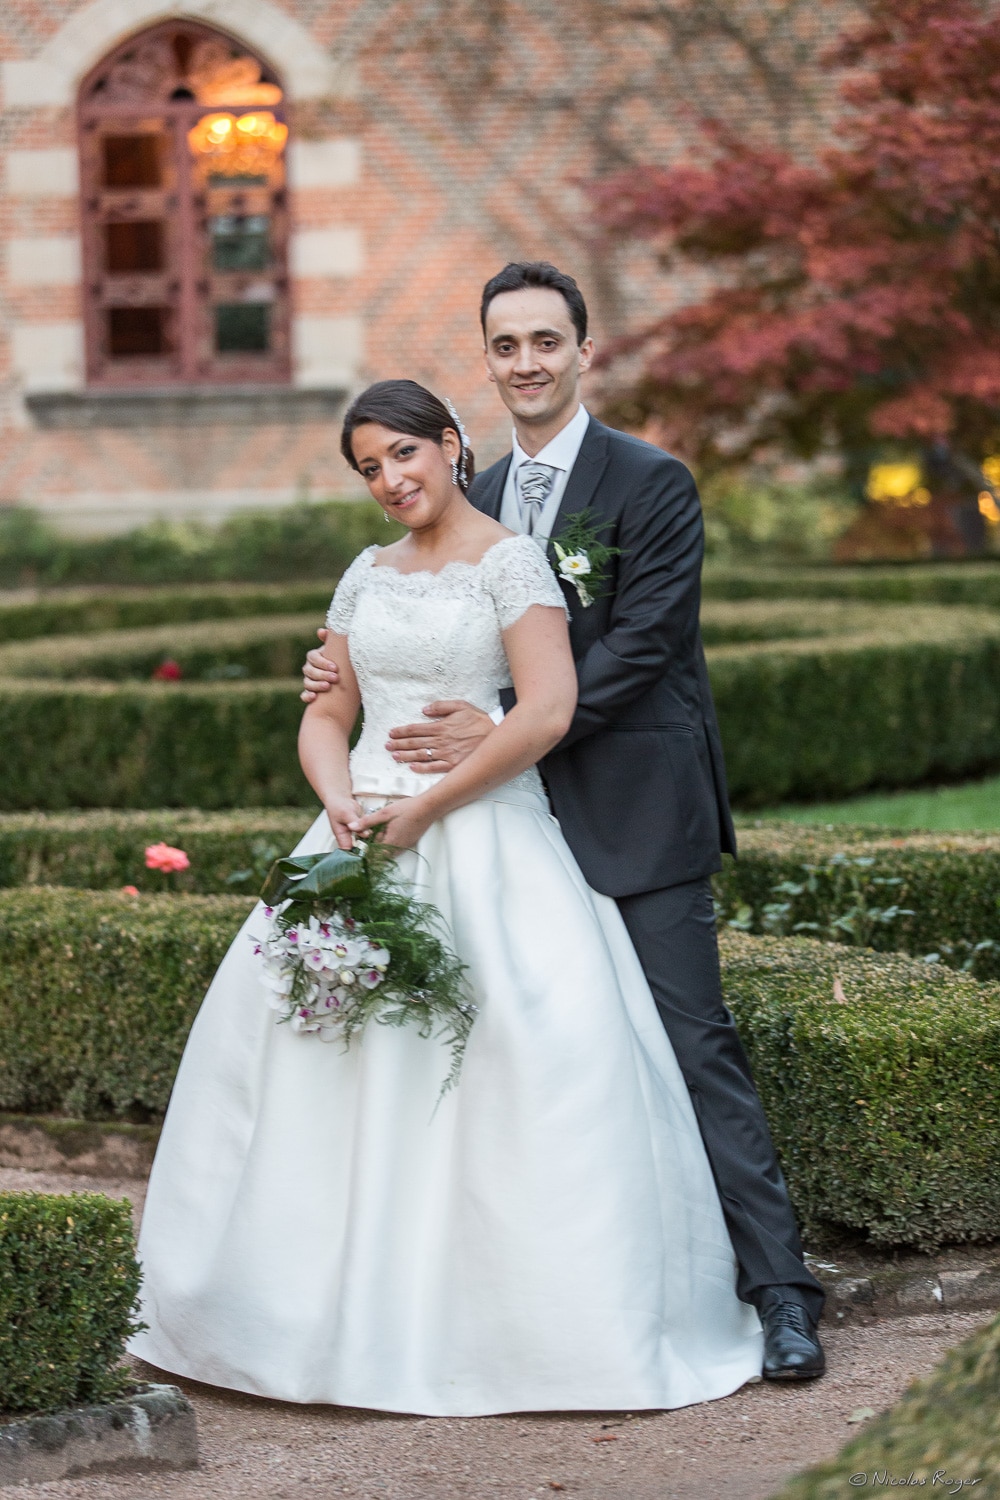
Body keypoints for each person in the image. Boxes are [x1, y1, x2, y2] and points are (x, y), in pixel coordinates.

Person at [130, 379, 764, 1415]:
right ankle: (300, 1321)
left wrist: (427, 810)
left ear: (449, 445)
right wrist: (341, 806)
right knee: (319, 1068)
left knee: (522, 1064)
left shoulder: (510, 563)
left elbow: (549, 709)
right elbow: (325, 713)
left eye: (401, 455)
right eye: (369, 467)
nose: (389, 480)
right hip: (359, 839)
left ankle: (509, 1326)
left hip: (484, 839)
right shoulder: (363, 574)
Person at [302, 262, 826, 1380]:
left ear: (584, 352)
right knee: (523, 1069)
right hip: (496, 828)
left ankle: (780, 1294)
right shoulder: (459, 485)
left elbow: (641, 647)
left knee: (690, 1046)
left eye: (547, 341)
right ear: (485, 363)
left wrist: (495, 722)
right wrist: (350, 661)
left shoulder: (652, 481)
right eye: (505, 346)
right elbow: (422, 619)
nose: (527, 362)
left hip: (628, 808)